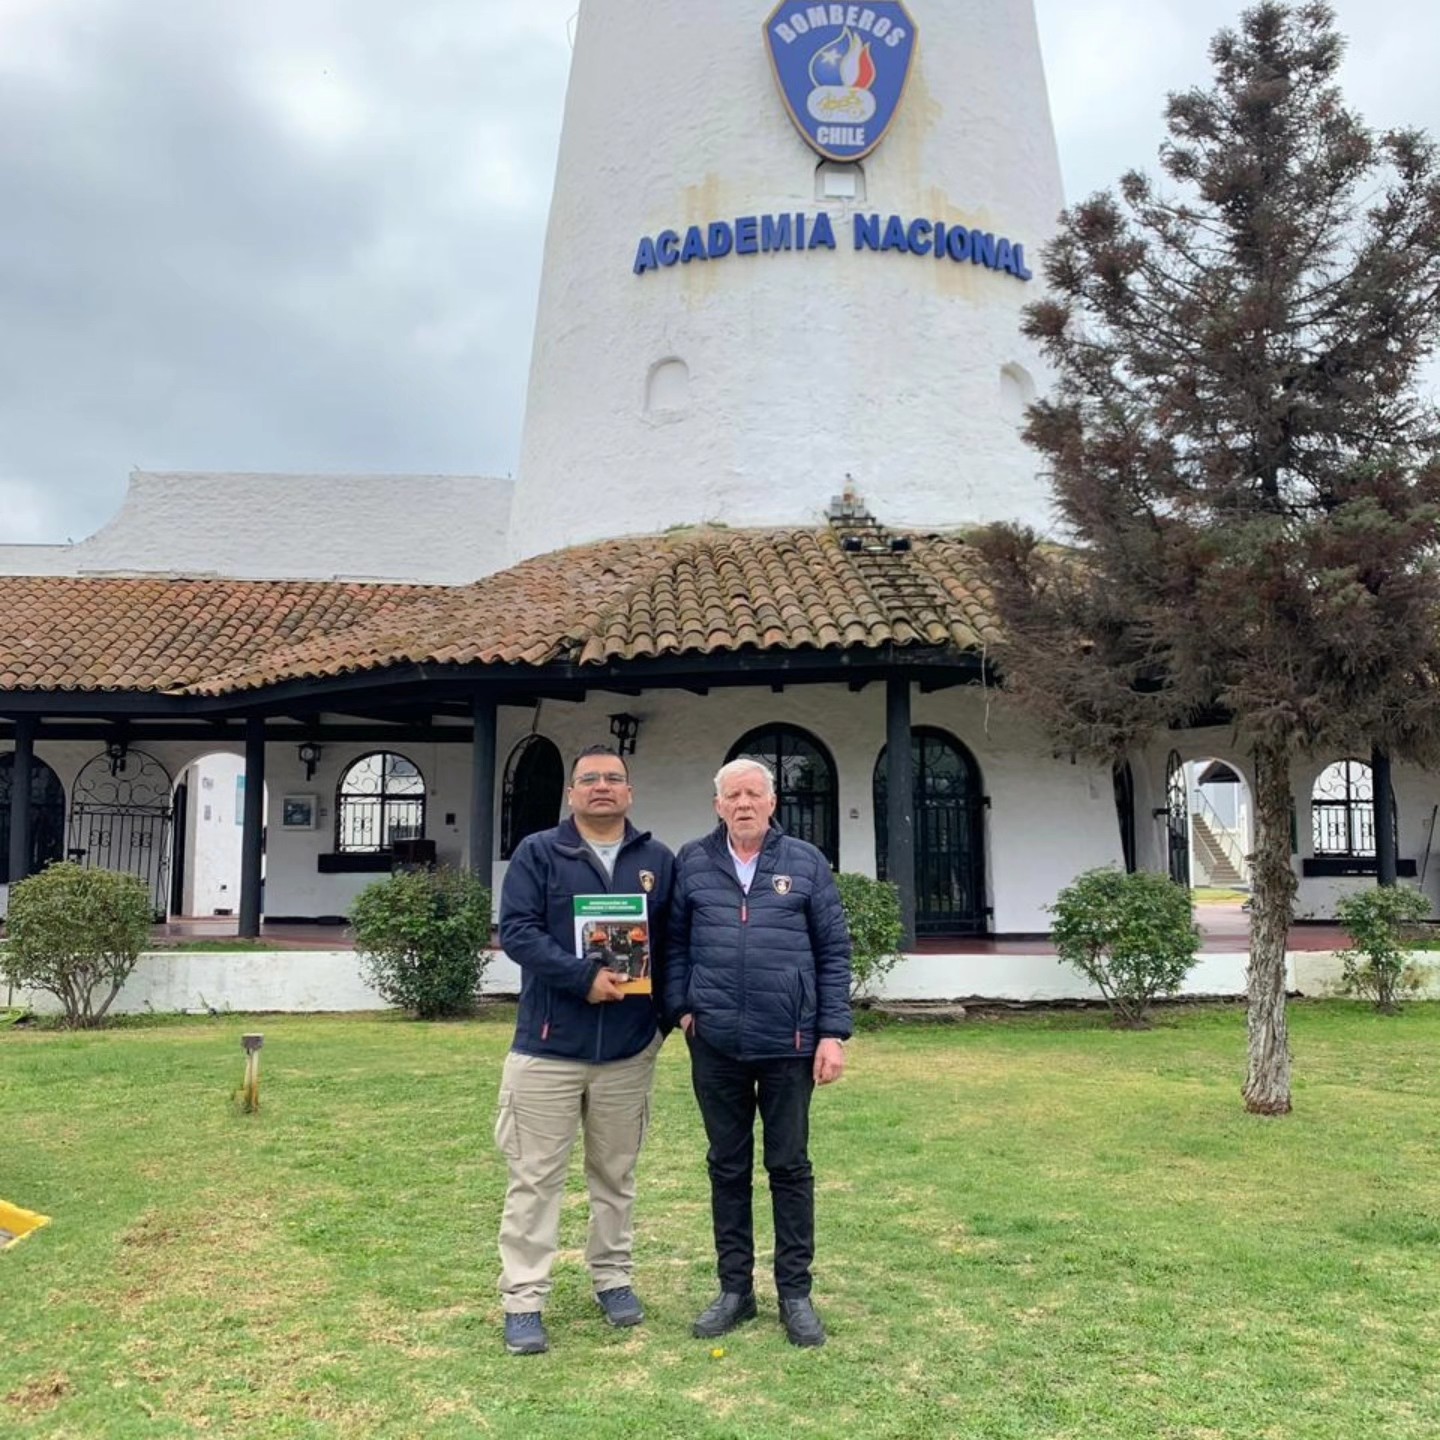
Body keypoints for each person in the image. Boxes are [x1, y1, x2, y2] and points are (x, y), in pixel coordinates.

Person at [664, 756, 852, 1348]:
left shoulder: (805, 862)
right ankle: (734, 1290)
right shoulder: (692, 862)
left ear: (773, 802)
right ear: (717, 806)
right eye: (732, 795)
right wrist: (683, 1009)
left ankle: (795, 1294)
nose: (743, 804)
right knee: (727, 1166)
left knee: (789, 1167)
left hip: (789, 1044)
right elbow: (673, 945)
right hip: (715, 1043)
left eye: (753, 794)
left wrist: (831, 1033)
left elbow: (833, 951)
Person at [494, 744, 674, 1356]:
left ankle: (613, 1278)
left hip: (627, 1051)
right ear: (571, 793)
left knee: (616, 1176)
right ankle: (524, 1299)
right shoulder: (539, 853)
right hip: (548, 1048)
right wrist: (582, 978)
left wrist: (660, 1023)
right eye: (589, 779)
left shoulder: (657, 860)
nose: (602, 787)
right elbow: (518, 932)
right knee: (534, 1179)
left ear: (629, 792)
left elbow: (674, 945)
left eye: (613, 778)